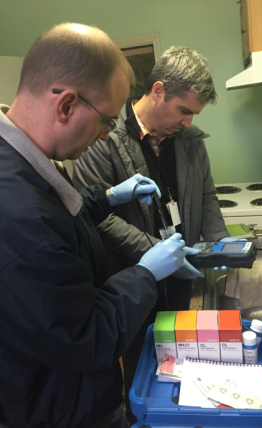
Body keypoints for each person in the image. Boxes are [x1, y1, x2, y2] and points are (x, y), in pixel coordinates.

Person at [0, 23, 199, 428]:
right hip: (56, 410)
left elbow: (62, 215)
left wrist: (107, 196)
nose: (109, 133)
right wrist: (146, 272)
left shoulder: (23, 159)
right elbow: (87, 335)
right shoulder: (23, 218)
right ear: (67, 105)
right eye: (108, 120)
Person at [73, 46, 231, 425]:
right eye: (184, 110)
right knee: (140, 363)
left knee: (181, 362)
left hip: (181, 274)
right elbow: (99, 218)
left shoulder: (190, 141)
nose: (189, 121)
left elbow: (207, 196)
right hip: (130, 281)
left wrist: (221, 244)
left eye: (194, 113)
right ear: (158, 90)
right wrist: (159, 255)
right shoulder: (103, 138)